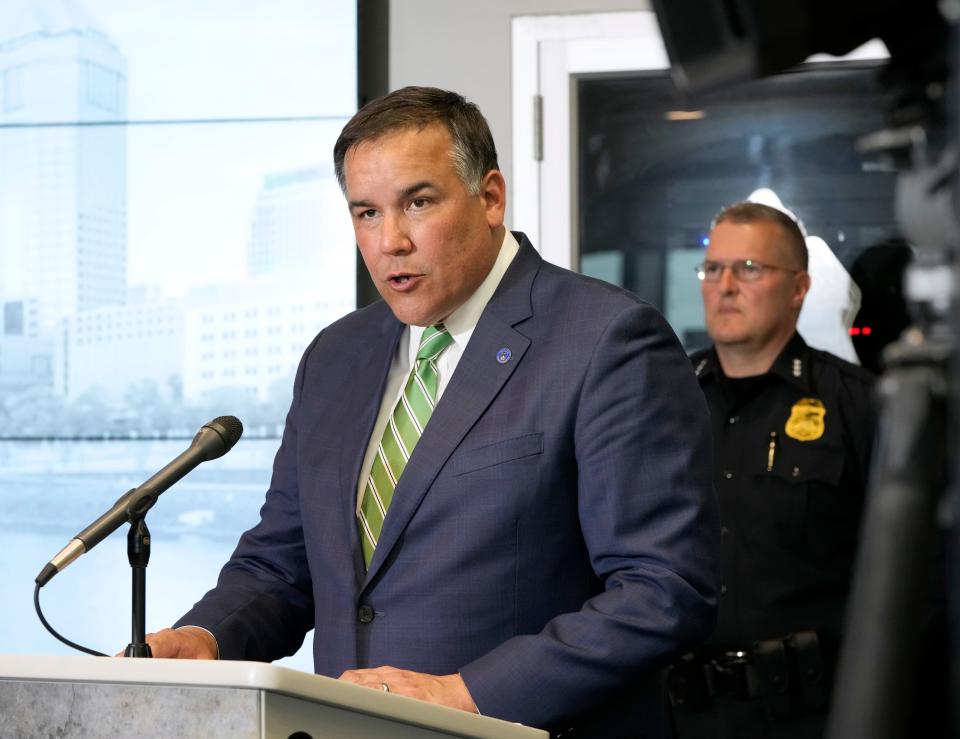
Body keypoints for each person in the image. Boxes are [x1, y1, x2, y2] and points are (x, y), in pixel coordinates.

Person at [143, 86, 720, 738]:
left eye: (418, 202)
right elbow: (282, 564)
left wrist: (468, 692)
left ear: (491, 197)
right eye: (366, 212)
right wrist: (206, 636)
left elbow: (662, 590)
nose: (390, 240)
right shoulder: (335, 356)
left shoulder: (607, 339)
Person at [670, 202, 876, 739]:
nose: (725, 285)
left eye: (750, 268)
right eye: (712, 268)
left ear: (799, 288)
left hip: (813, 714)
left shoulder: (858, 408)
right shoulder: (664, 404)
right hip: (680, 713)